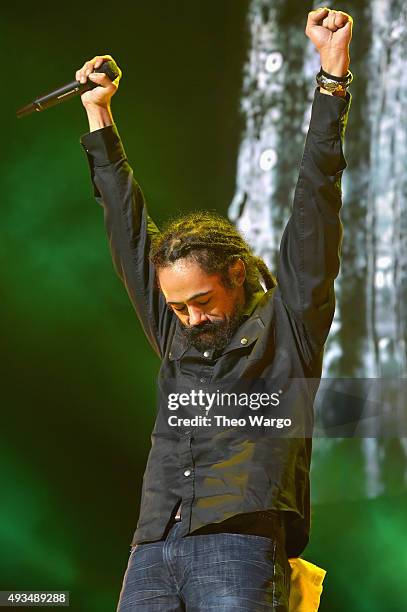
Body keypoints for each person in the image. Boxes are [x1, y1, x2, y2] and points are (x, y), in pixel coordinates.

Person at [77, 7, 352, 611]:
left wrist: (332, 75)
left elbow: (315, 204)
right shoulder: (178, 335)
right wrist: (99, 114)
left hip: (240, 544)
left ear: (234, 274)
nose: (190, 318)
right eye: (177, 309)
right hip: (153, 542)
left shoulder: (287, 326)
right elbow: (127, 233)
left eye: (201, 302)